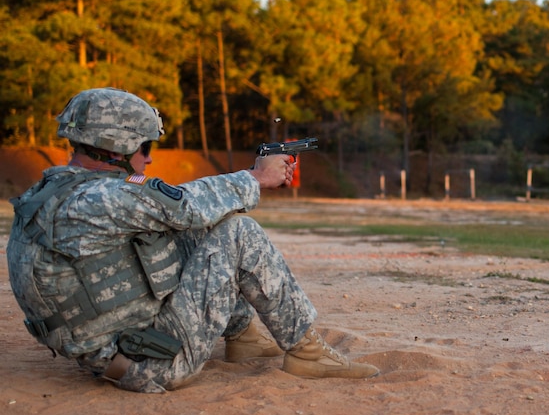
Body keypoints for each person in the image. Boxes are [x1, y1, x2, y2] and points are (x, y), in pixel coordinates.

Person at [6, 87, 379, 393]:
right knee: (238, 233)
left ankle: (243, 336)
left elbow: (171, 209)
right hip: (151, 365)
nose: (150, 160)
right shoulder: (99, 199)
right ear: (112, 149)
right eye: (146, 148)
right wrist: (256, 177)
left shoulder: (59, 190)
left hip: (117, 351)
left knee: (199, 226)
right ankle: (307, 352)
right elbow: (184, 205)